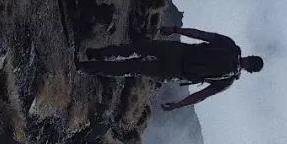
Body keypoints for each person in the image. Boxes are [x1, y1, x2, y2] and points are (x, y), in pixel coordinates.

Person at [78, 27, 264, 109]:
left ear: (250, 56)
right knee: (131, 69)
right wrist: (179, 105)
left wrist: (176, 30)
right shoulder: (227, 81)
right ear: (250, 71)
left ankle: (99, 53)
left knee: (136, 49)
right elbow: (201, 96)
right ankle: (87, 67)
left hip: (177, 50)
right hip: (173, 71)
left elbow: (201, 35)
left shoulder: (229, 45)